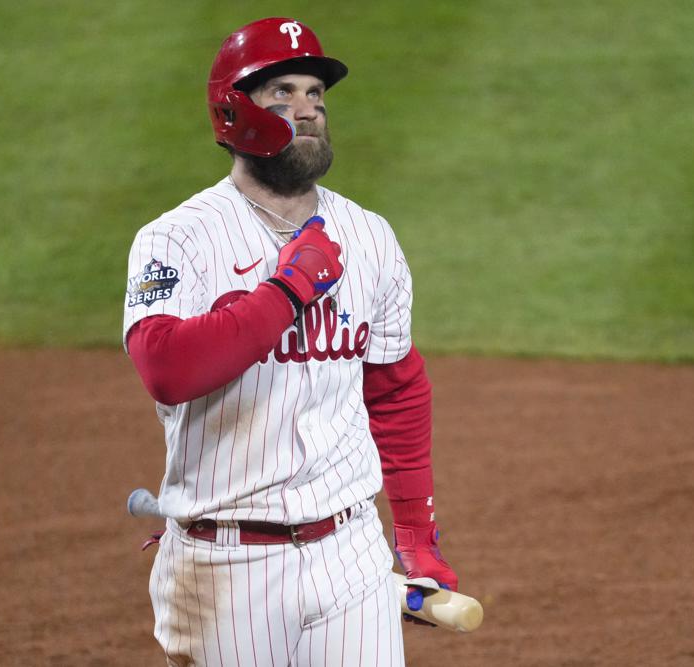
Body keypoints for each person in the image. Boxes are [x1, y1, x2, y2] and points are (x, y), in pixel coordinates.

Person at [123, 17, 458, 666]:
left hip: (351, 551)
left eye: (316, 94)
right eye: (282, 93)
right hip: (226, 565)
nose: (306, 110)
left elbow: (395, 388)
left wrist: (415, 530)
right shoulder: (176, 240)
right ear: (234, 111)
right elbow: (166, 367)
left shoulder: (370, 237)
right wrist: (287, 290)